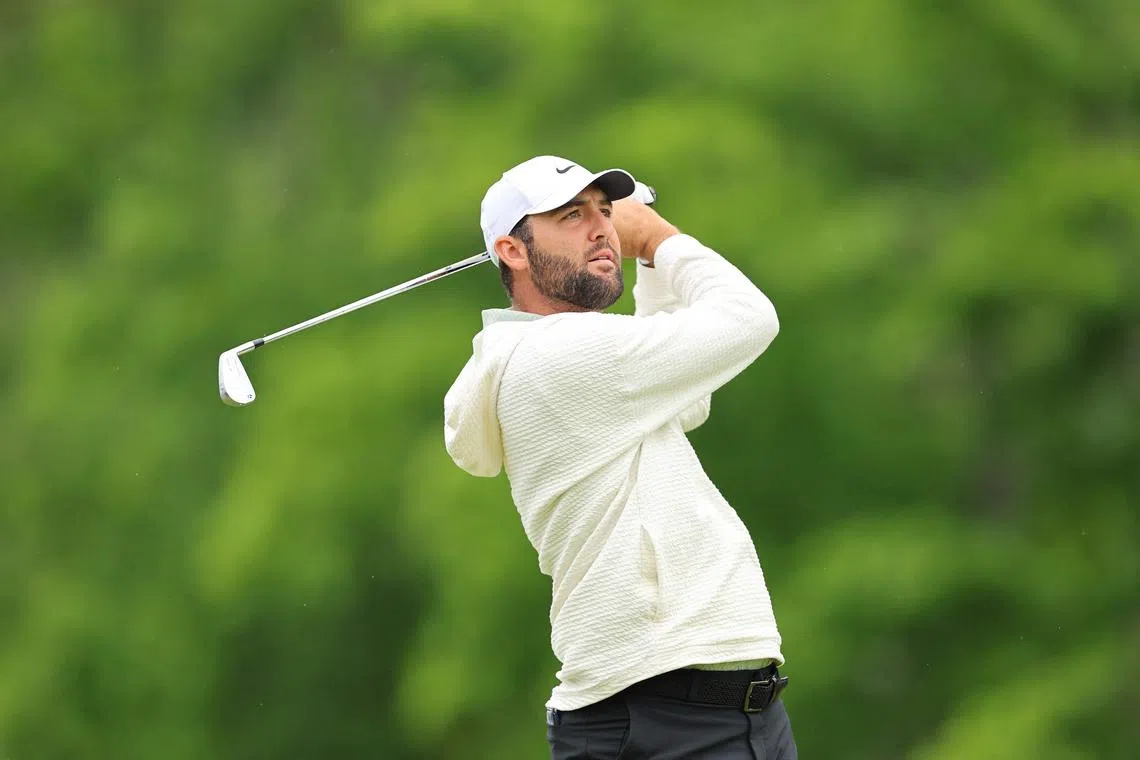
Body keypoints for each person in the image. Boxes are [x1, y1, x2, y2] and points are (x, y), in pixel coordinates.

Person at [444, 155, 796, 759]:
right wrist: (658, 238)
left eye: (606, 212)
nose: (602, 228)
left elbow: (684, 401)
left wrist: (651, 263)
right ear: (513, 250)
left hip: (668, 707)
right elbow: (749, 318)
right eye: (571, 215)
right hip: (677, 713)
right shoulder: (562, 354)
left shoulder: (551, 359)